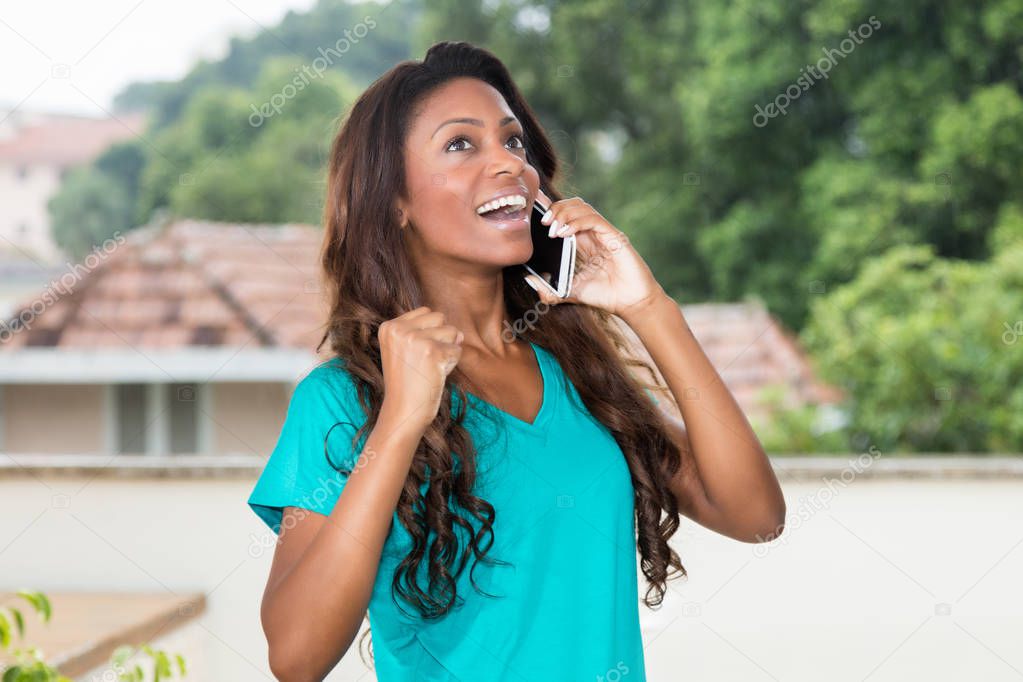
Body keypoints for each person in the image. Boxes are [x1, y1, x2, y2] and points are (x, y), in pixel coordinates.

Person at [248, 40, 786, 682]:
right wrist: (399, 422)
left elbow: (757, 517)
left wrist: (649, 308)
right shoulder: (342, 399)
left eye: (514, 142)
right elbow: (296, 655)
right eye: (460, 144)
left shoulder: (578, 375)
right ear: (394, 200)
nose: (508, 163)